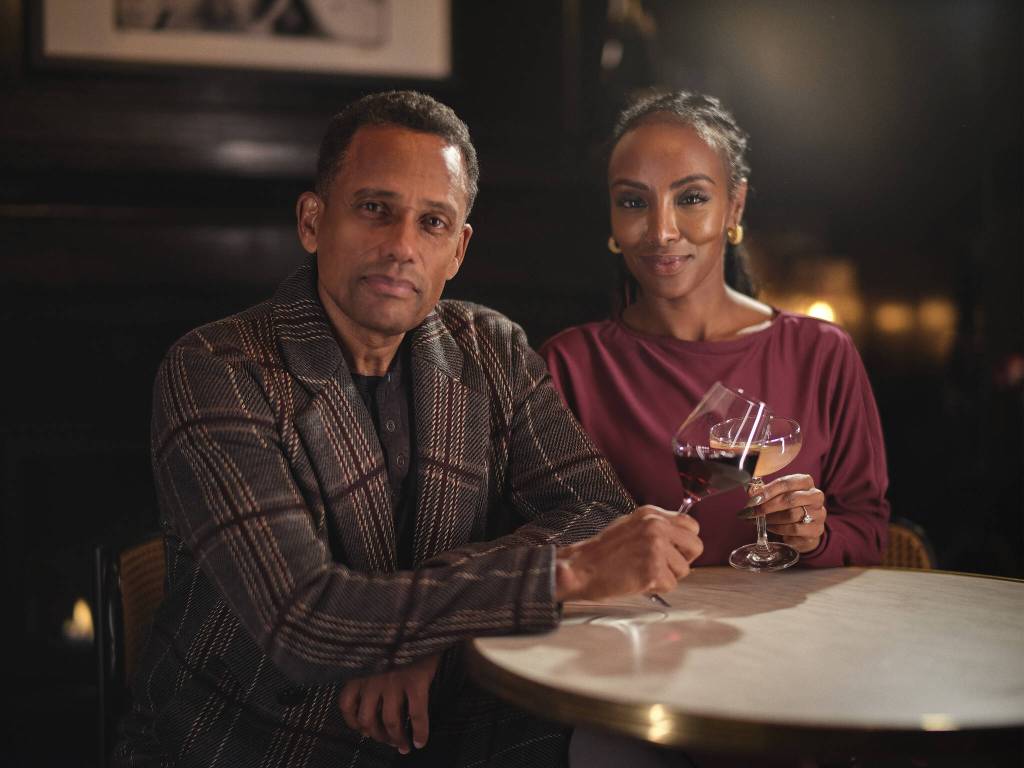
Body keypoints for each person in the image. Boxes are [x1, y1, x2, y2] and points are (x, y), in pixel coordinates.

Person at [116, 90, 703, 768]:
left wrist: (425, 640)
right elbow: (306, 621)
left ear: (457, 250)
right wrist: (560, 573)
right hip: (263, 743)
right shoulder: (215, 368)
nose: (401, 246)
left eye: (432, 222)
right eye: (375, 209)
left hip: (459, 724)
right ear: (312, 221)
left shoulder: (492, 347)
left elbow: (598, 510)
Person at [540, 90, 890, 569]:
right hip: (637, 636)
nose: (661, 231)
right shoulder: (570, 366)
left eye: (691, 198)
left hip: (795, 638)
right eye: (633, 201)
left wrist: (817, 536)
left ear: (735, 207)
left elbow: (870, 532)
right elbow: (543, 543)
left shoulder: (821, 353)